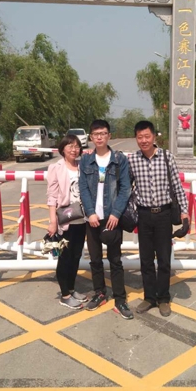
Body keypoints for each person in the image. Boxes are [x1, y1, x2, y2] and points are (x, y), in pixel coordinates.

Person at [128, 120, 189, 317]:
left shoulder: (166, 157)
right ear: (136, 139)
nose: (144, 140)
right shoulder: (132, 160)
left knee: (163, 259)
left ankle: (163, 298)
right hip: (144, 215)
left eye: (147, 136)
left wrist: (185, 213)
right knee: (146, 259)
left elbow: (177, 187)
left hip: (164, 215)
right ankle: (149, 297)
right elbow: (126, 187)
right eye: (140, 137)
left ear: (154, 136)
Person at [79, 119, 133, 320]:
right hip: (92, 218)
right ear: (91, 137)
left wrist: (116, 213)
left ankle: (120, 299)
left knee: (115, 260)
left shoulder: (119, 159)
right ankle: (100, 293)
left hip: (112, 218)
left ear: (109, 136)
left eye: (103, 133)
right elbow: (83, 187)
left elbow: (125, 187)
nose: (99, 137)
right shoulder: (86, 160)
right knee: (95, 259)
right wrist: (90, 212)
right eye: (96, 134)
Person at [47, 134, 87, 310]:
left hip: (82, 218)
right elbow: (52, 196)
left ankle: (71, 289)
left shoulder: (82, 166)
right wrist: (52, 221)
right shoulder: (56, 168)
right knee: (65, 257)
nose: (74, 149)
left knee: (76, 255)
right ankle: (64, 295)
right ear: (62, 148)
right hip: (65, 219)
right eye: (70, 146)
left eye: (77, 146)